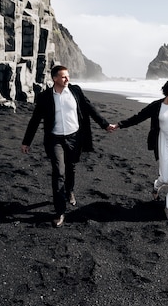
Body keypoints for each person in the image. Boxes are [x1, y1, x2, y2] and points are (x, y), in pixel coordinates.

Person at [21, 65, 115, 227]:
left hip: (74, 137)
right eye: (63, 77)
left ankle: (69, 190)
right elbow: (35, 119)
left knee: (71, 167)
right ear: (55, 79)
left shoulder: (75, 91)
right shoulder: (45, 97)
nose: (67, 79)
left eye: (68, 76)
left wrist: (105, 124)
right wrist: (26, 141)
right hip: (54, 139)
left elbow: (89, 108)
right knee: (58, 172)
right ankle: (60, 212)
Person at [110, 79, 168, 221]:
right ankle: (156, 186)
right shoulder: (156, 106)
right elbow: (138, 117)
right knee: (166, 177)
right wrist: (119, 125)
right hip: (164, 144)